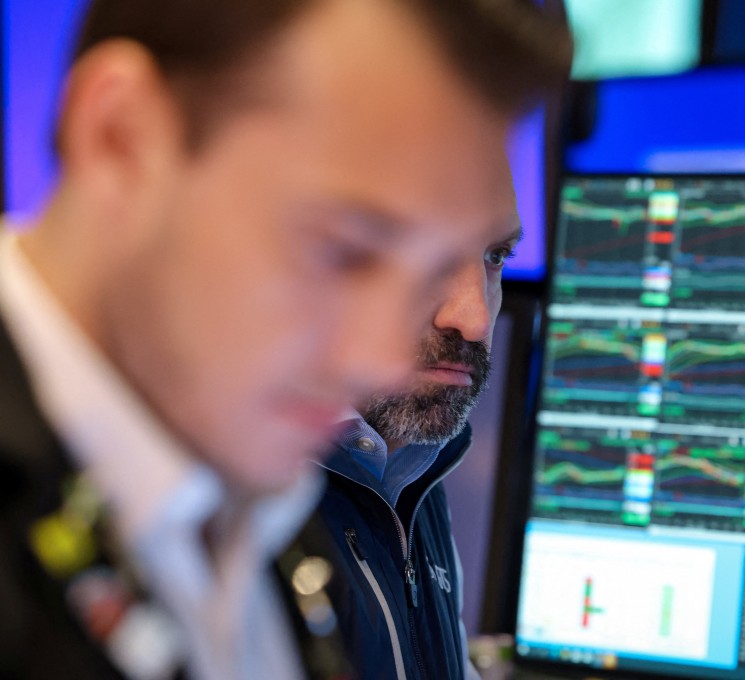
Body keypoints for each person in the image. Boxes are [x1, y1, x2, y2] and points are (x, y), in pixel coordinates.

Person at [0, 1, 571, 678]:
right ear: (120, 138)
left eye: (437, 266)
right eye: (345, 250)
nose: (380, 357)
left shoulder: (252, 500)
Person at [317, 207, 520, 679]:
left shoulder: (418, 459)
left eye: (496, 256)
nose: (476, 319)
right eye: (437, 251)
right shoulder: (250, 484)